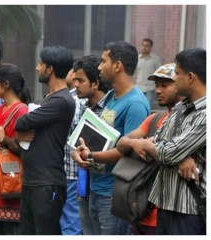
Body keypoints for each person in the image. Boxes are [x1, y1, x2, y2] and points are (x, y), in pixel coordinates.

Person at [72, 41, 150, 235]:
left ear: (117, 66)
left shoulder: (136, 103)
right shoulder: (110, 97)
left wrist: (91, 156)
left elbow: (129, 151)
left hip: (115, 193)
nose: (99, 67)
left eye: (103, 61)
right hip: (95, 187)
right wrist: (79, 152)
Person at [132, 48, 206, 235]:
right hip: (165, 203)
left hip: (189, 209)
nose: (175, 77)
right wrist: (175, 153)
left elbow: (167, 151)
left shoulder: (205, 114)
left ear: (190, 77)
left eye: (177, 74)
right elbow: (159, 144)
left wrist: (148, 144)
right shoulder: (180, 107)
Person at [15, 45, 76, 235]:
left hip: (47, 182)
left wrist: (20, 129)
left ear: (50, 69)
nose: (37, 67)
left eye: (41, 63)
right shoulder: (45, 100)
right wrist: (18, 135)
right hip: (31, 180)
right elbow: (20, 132)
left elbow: (22, 120)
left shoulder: (62, 101)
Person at [116, 63, 183, 235]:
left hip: (170, 213)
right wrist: (135, 143)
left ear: (182, 84)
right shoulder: (154, 119)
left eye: (165, 85)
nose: (159, 90)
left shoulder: (188, 121)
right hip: (141, 207)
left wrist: (146, 144)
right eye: (157, 86)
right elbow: (121, 142)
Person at [0, 63, 30, 235]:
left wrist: (4, 139)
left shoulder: (21, 111)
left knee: (11, 230)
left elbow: (25, 148)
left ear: (6, 84)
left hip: (12, 178)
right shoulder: (0, 109)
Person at [72, 55, 111, 235]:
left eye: (81, 80)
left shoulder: (111, 108)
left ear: (95, 83)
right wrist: (76, 154)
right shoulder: (82, 106)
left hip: (105, 187)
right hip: (84, 183)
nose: (76, 85)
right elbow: (76, 143)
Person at [59, 57, 83, 235]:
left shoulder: (75, 101)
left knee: (70, 224)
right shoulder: (71, 98)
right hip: (70, 171)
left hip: (72, 171)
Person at [134, 38, 162, 107]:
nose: (144, 47)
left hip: (150, 88)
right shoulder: (137, 59)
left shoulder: (155, 59)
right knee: (138, 107)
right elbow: (133, 73)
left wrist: (158, 86)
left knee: (147, 108)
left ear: (150, 47)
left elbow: (159, 74)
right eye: (143, 45)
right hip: (138, 88)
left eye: (147, 46)